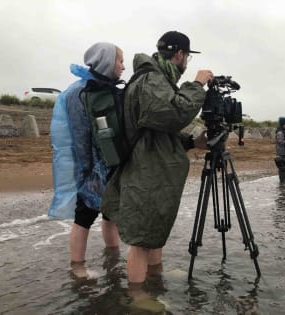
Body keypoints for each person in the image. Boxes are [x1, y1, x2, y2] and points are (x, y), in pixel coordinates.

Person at [101, 31, 213, 294]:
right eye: (186, 57)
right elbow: (174, 113)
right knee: (141, 240)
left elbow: (158, 130)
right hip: (146, 172)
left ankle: (155, 279)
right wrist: (197, 86)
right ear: (179, 55)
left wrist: (191, 143)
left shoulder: (158, 80)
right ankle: (138, 297)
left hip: (152, 168)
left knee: (153, 232)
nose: (186, 64)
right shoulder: (151, 79)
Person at [51, 42, 124, 278]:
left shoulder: (111, 90)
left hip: (112, 165)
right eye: (119, 61)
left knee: (111, 214)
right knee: (84, 217)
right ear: (106, 61)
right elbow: (79, 136)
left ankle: (113, 256)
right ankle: (78, 267)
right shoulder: (79, 93)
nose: (123, 67)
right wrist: (88, 171)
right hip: (92, 168)